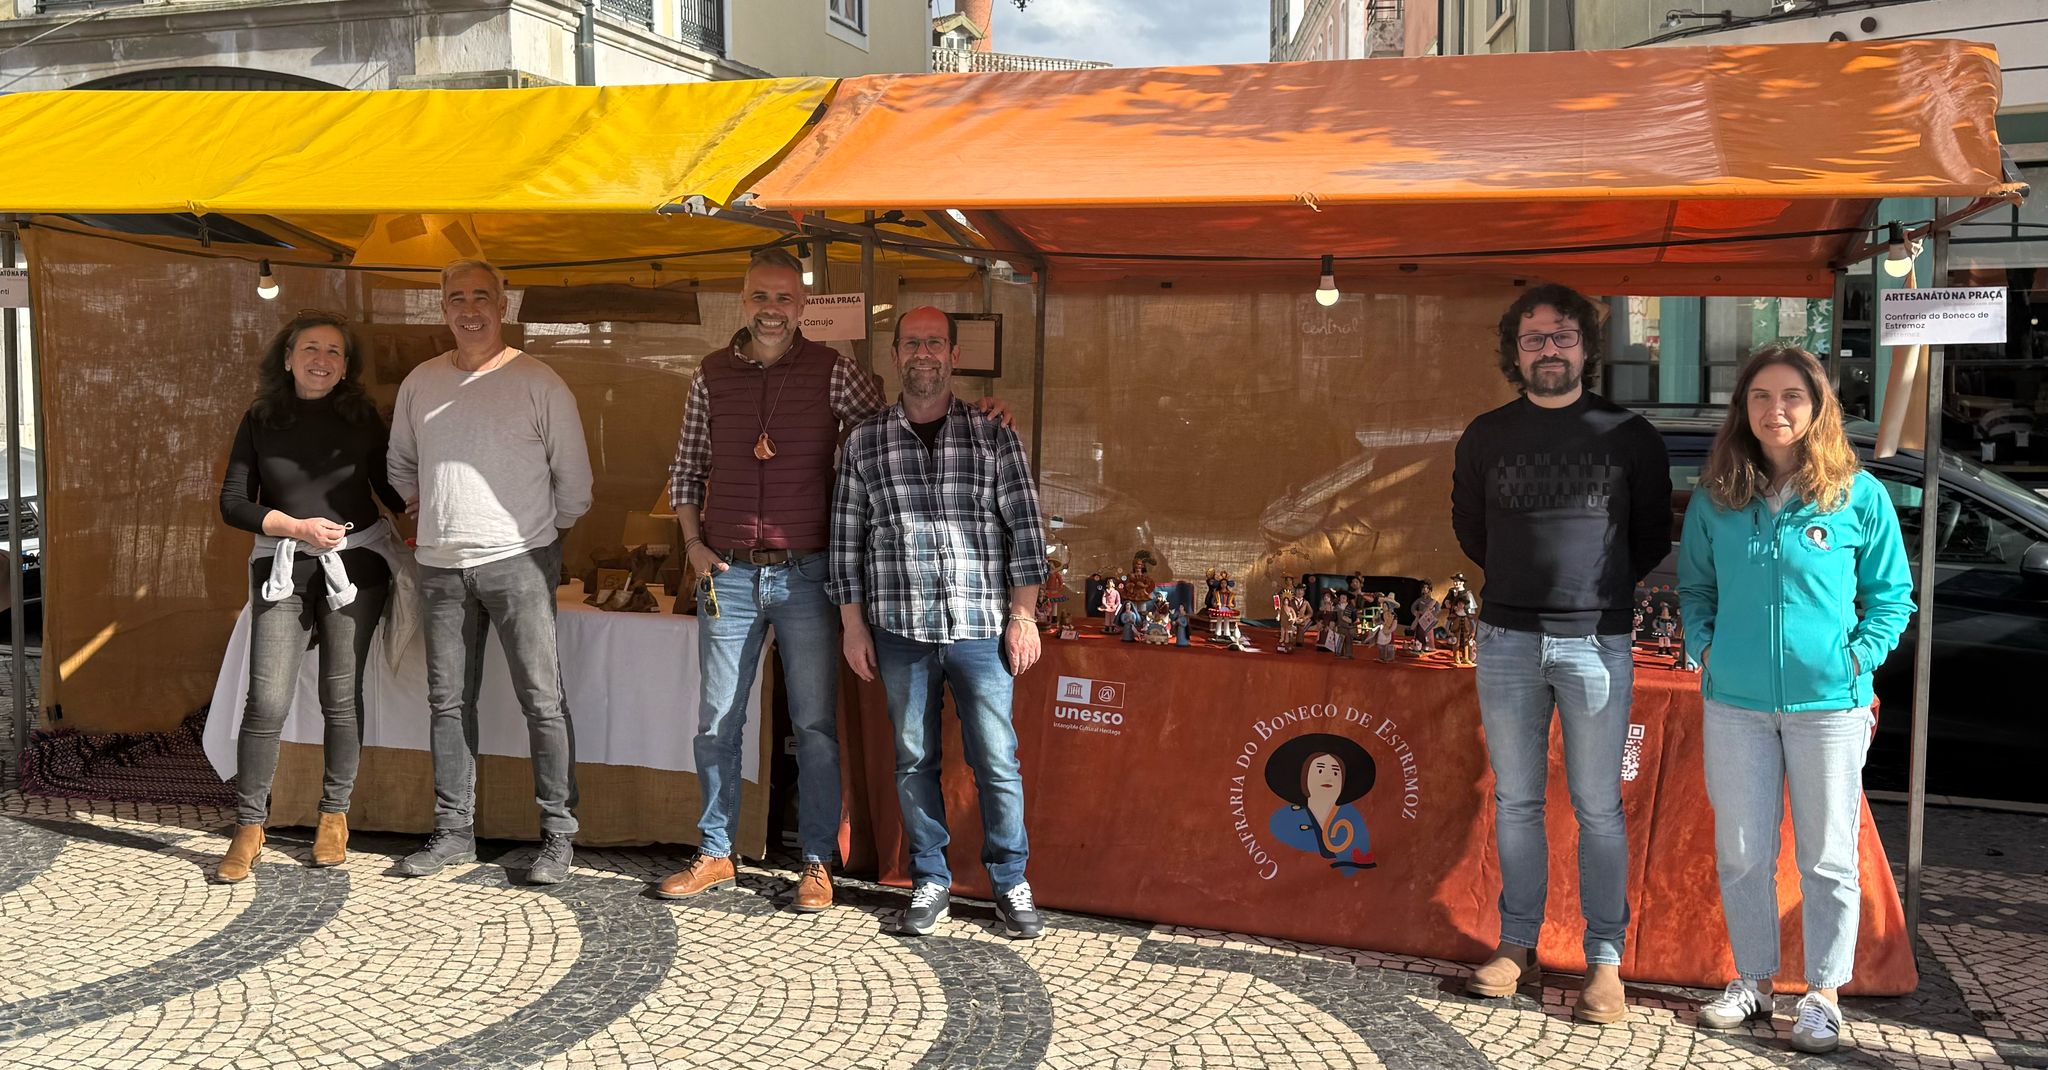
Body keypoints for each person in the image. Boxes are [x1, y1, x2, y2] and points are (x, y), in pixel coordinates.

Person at [656, 252, 1013, 909]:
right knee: (716, 721)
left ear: (801, 305)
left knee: (815, 724)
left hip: (807, 571)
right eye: (760, 297)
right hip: (728, 574)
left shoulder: (834, 372)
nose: (771, 309)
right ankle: (714, 851)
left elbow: (901, 420)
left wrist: (978, 413)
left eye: (784, 298)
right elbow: (685, 468)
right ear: (744, 301)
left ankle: (816, 861)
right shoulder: (710, 375)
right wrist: (693, 545)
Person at [1677, 345, 1913, 1054]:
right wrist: (1706, 646)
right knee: (1743, 851)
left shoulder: (1857, 495)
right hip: (1737, 705)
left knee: (1827, 857)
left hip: (1830, 709)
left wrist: (1858, 657)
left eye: (1791, 398)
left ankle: (1822, 993)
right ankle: (1752, 980)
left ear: (1816, 409)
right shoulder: (1717, 496)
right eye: (1760, 397)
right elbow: (1695, 588)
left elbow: (1891, 597)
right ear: (1742, 410)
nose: (1775, 411)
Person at [1451, 282, 1673, 1024]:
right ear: (1515, 353)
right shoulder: (1486, 435)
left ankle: (1603, 960)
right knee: (1516, 801)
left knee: (1597, 807)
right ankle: (1517, 945)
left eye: (1562, 336)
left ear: (1586, 346)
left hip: (1597, 641)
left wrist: (1591, 592)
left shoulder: (1629, 436)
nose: (1549, 350)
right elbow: (1471, 532)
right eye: (1534, 339)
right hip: (1507, 637)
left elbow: (1649, 537)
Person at [831, 306, 1050, 940]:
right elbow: (847, 542)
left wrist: (1024, 615)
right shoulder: (865, 441)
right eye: (911, 343)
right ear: (895, 355)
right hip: (899, 629)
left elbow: (1026, 532)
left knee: (997, 761)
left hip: (982, 627)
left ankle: (1010, 879)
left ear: (954, 355)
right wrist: (852, 625)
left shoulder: (992, 433)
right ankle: (931, 877)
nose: (923, 353)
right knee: (913, 759)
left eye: (935, 343)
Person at [388, 259, 593, 885]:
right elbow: (399, 466)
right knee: (447, 702)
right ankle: (454, 833)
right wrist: (427, 511)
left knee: (541, 700)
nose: (469, 309)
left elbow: (576, 484)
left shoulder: (540, 382)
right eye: (457, 299)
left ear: (504, 306)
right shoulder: (419, 383)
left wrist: (534, 537)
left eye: (482, 297)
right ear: (442, 308)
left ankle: (558, 835)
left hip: (521, 562)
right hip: (440, 567)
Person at [213, 311, 405, 882]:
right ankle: (249, 826)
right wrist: (295, 528)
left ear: (346, 368)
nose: (322, 361)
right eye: (312, 349)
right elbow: (232, 502)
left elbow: (388, 486)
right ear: (289, 357)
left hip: (359, 564)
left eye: (335, 353)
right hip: (282, 565)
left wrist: (427, 500)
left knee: (339, 698)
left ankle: (333, 817)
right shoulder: (261, 418)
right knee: (267, 700)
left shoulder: (363, 417)